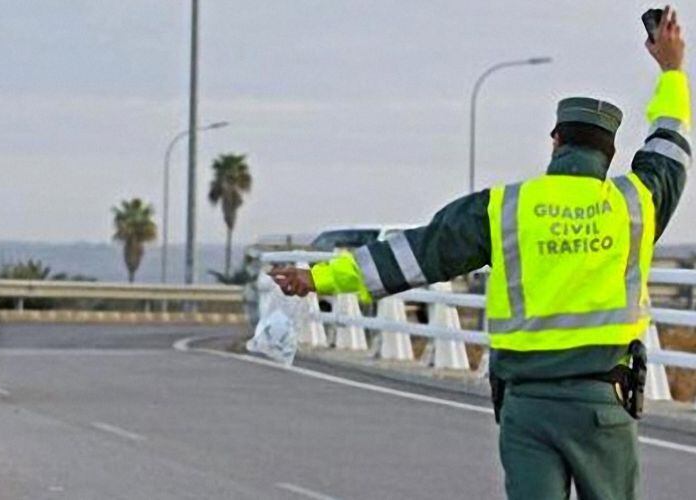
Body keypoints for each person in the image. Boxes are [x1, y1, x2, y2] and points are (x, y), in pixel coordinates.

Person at [270, 7, 689, 499]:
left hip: (527, 407)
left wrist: (320, 279)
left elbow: (417, 254)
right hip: (602, 402)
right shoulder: (634, 204)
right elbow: (670, 142)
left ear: (555, 142)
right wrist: (672, 70)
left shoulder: (505, 209)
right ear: (610, 154)